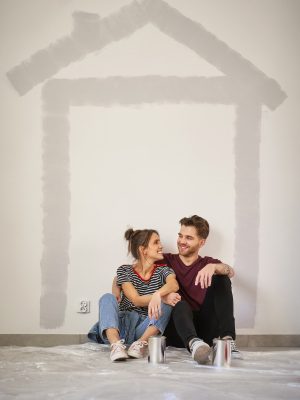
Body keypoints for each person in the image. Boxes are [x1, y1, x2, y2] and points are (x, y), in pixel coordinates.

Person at [88, 228, 179, 362]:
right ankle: (116, 346)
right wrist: (162, 296)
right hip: (122, 326)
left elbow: (174, 285)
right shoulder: (124, 270)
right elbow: (136, 300)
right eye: (156, 242)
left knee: (168, 302)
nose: (161, 246)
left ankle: (140, 344)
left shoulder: (164, 270)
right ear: (143, 250)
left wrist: (159, 295)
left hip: (143, 329)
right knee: (107, 297)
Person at [162, 215, 242, 364]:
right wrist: (116, 287)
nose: (182, 241)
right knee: (180, 303)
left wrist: (214, 267)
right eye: (180, 236)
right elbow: (134, 270)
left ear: (201, 242)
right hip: (178, 329)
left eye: (189, 238)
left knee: (222, 278)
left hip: (205, 330)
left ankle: (227, 340)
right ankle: (193, 343)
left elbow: (230, 271)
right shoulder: (166, 260)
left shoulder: (207, 263)